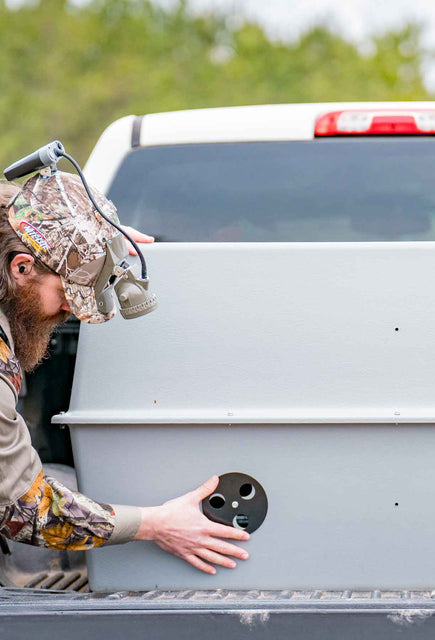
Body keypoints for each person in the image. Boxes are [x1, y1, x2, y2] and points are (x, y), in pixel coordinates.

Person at [0, 171, 249, 575]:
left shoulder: (17, 236)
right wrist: (156, 525)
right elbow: (26, 509)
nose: (68, 312)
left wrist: (89, 237)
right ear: (22, 267)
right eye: (67, 293)